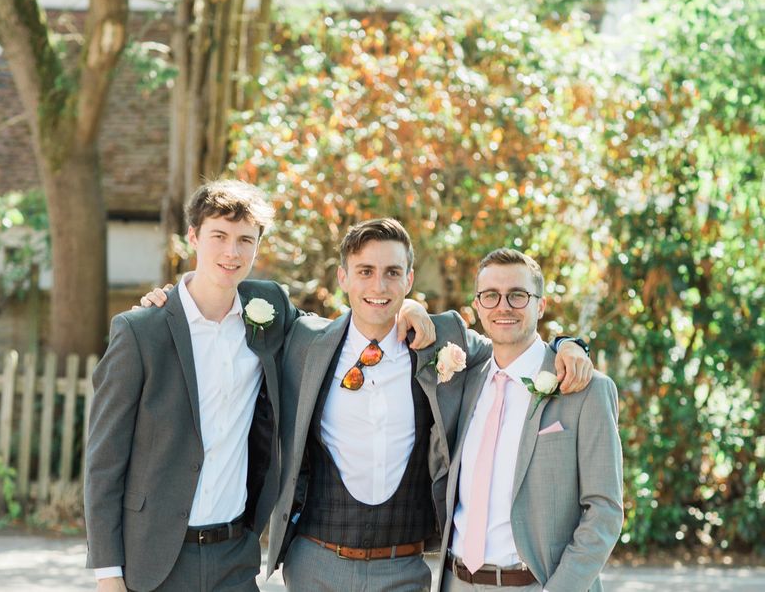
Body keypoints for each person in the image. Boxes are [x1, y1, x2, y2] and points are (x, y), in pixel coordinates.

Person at [84, 180, 432, 592]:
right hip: (154, 556)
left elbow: (349, 324)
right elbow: (104, 461)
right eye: (219, 236)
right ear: (193, 237)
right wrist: (109, 574)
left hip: (235, 555)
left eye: (245, 240)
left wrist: (407, 305)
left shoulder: (269, 309)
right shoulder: (141, 331)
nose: (231, 252)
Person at [266, 220, 594, 592]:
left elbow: (514, 346)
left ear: (408, 280)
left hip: (405, 569)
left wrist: (567, 344)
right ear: (343, 277)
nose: (379, 286)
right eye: (365, 272)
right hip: (315, 564)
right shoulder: (305, 342)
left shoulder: (444, 341)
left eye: (392, 272)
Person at [436, 248, 623, 592]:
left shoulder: (585, 389)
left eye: (518, 295)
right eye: (491, 296)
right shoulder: (464, 378)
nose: (503, 306)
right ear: (477, 306)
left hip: (535, 584)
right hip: (454, 581)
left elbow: (605, 510)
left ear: (540, 304)